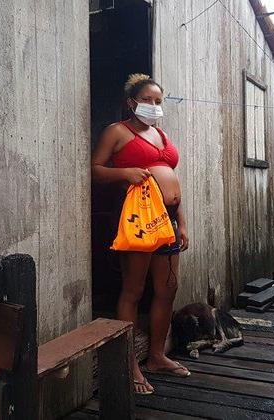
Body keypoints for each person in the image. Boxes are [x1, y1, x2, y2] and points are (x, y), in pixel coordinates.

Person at [91, 74, 190, 395]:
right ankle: (129, 362)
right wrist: (125, 172)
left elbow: (171, 180)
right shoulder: (117, 132)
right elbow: (94, 170)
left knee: (167, 288)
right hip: (138, 219)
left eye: (158, 101)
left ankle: (157, 356)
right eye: (147, 100)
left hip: (167, 220)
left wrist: (182, 222)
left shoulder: (161, 134)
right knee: (133, 290)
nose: (154, 106)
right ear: (131, 102)